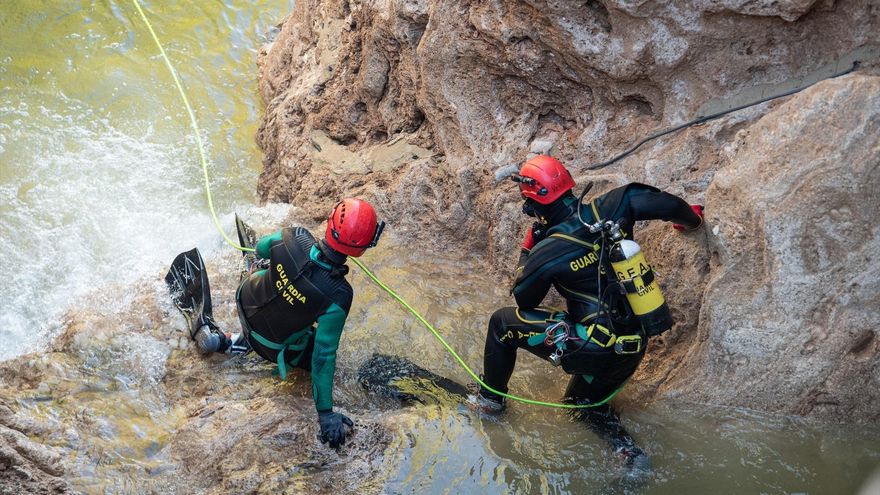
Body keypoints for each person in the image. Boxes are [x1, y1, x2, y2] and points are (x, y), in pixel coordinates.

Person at [475, 155, 703, 468]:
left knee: (501, 323)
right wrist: (691, 220)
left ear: (534, 206)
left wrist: (528, 250)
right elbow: (669, 205)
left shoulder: (547, 250)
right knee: (581, 405)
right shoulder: (616, 204)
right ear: (568, 186)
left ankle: (490, 402)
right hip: (633, 344)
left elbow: (524, 301)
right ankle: (629, 454)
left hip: (593, 345)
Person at [166, 198, 384, 450]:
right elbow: (324, 356)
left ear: (330, 221)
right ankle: (239, 342)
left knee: (270, 277)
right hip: (270, 347)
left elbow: (260, 248)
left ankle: (228, 340)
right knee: (317, 346)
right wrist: (325, 413)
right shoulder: (339, 295)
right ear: (363, 247)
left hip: (244, 300)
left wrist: (279, 271)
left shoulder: (295, 236)